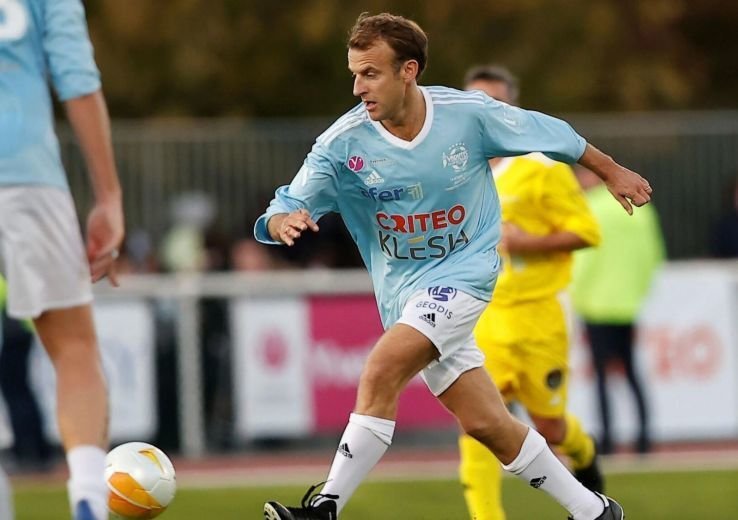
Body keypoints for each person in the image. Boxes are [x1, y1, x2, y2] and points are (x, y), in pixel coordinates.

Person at [255, 12, 651, 520]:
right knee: (488, 424)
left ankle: (325, 507)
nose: (358, 88)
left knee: (381, 369)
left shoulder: (467, 115)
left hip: (465, 275)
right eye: (354, 74)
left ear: (409, 71)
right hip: (403, 294)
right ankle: (594, 510)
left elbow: (550, 132)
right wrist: (282, 221)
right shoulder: (343, 144)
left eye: (370, 73)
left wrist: (610, 170)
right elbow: (284, 203)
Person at [458, 65, 603, 520]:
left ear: (513, 109)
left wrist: (527, 243)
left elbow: (586, 232)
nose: (485, 112)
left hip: (539, 314)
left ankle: (582, 451)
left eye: (496, 103)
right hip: (484, 314)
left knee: (550, 427)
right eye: (476, 103)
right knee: (479, 422)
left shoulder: (541, 167)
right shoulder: (454, 170)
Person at [0, 1, 124, 519]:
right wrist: (108, 196)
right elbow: (78, 82)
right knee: (75, 351)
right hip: (28, 172)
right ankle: (88, 496)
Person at [571, 166, 664, 455]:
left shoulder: (589, 208)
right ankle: (644, 437)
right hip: (628, 303)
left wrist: (575, 294)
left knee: (601, 375)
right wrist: (638, 292)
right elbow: (654, 254)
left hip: (596, 303)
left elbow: (582, 260)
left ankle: (607, 439)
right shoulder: (642, 211)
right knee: (632, 372)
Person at [0, 277, 53, 473]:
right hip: (20, 329)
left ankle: (27, 452)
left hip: (12, 332)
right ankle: (37, 450)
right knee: (21, 391)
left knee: (16, 394)